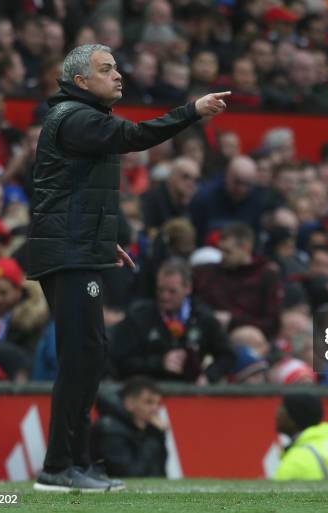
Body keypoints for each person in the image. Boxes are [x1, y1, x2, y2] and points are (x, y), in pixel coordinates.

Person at [28, 43, 229, 492]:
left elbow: (65, 190)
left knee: (89, 356)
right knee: (81, 357)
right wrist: (191, 111)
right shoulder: (78, 119)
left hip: (77, 248)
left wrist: (103, 240)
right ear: (81, 82)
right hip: (69, 254)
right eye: (106, 69)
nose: (118, 76)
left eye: (117, 67)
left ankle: (74, 464)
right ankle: (58, 468)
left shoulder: (76, 119)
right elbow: (135, 137)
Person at [91, 376, 168, 477]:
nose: (155, 409)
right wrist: (153, 438)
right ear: (129, 403)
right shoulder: (110, 429)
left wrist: (158, 435)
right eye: (149, 402)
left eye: (157, 403)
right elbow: (130, 474)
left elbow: (159, 472)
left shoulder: (149, 429)